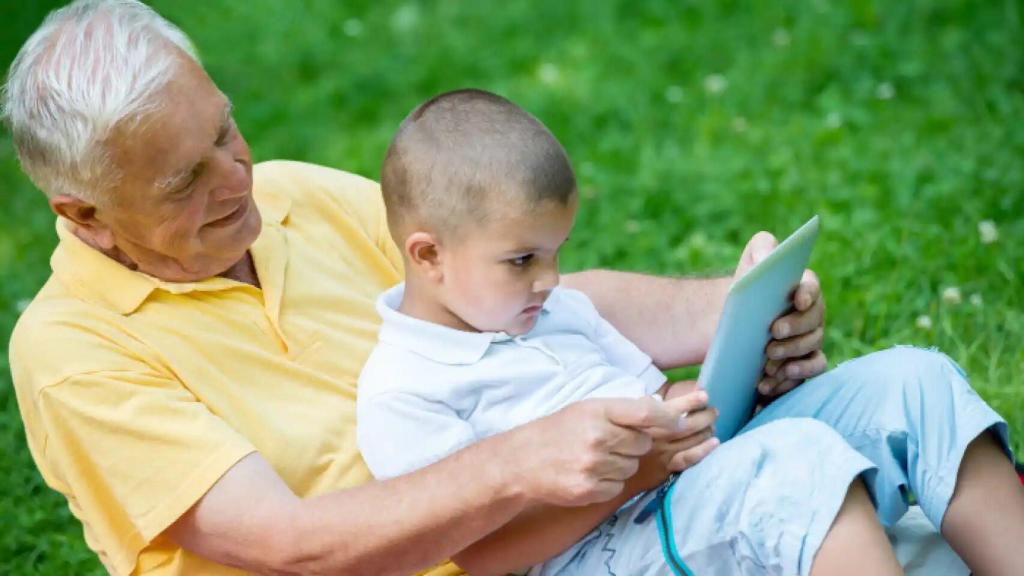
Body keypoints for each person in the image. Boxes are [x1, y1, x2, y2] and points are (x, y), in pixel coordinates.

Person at [2, 1, 1020, 575]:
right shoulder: (72, 352)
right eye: (186, 179)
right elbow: (284, 547)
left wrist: (736, 311)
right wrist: (531, 464)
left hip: (608, 500)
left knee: (911, 385)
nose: (238, 177)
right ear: (83, 215)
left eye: (224, 129)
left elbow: (517, 290)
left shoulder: (290, 196)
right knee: (799, 467)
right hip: (523, 553)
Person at [353, 89, 1017, 576]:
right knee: (791, 463)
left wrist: (724, 382)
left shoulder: (556, 309)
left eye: (556, 252)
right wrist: (641, 469)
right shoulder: (405, 390)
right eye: (523, 260)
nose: (551, 278)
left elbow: (657, 398)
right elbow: (483, 554)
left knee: (912, 380)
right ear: (429, 256)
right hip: (597, 552)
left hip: (685, 485)